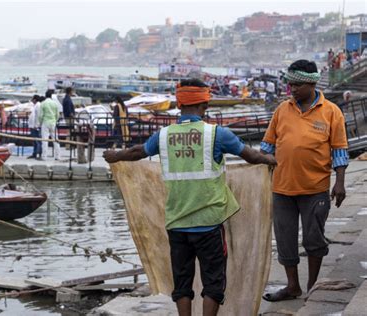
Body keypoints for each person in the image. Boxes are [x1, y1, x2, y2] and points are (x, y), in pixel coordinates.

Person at [103, 79, 277, 316]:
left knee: (182, 283)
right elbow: (252, 157)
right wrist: (270, 160)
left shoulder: (163, 136)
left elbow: (136, 152)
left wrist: (115, 155)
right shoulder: (217, 134)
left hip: (177, 223)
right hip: (209, 224)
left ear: (179, 103)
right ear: (205, 103)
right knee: (213, 282)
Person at [261, 60, 349, 302]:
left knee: (313, 238)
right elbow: (267, 145)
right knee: (285, 239)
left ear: (311, 83)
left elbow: (340, 150)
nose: (292, 89)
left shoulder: (331, 111)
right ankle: (292, 286)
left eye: (297, 85)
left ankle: (312, 284)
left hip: (316, 189)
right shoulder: (282, 110)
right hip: (282, 189)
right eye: (290, 85)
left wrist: (339, 183)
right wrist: (262, 159)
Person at [38, 89, 61, 161]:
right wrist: (55, 120)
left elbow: (40, 115)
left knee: (44, 140)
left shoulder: (43, 103)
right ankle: (58, 156)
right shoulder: (55, 104)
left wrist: (40, 123)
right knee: (55, 140)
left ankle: (44, 156)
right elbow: (58, 115)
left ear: (45, 96)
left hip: (45, 122)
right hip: (53, 122)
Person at [27, 95, 42, 160]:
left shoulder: (38, 105)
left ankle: (39, 154)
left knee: (38, 141)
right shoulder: (35, 106)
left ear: (35, 99)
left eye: (33, 99)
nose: (32, 100)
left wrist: (36, 125)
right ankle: (35, 153)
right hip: (33, 125)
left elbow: (38, 116)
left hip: (35, 126)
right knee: (35, 141)